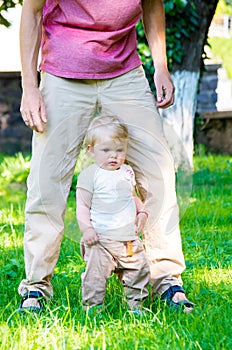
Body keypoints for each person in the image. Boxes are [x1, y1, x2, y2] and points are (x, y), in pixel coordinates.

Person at [18, 0, 194, 313]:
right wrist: (30, 87)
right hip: (63, 75)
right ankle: (36, 287)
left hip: (124, 73)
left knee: (158, 171)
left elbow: (152, 6)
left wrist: (162, 68)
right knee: (46, 183)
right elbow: (31, 12)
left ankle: (167, 280)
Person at [76, 115, 150, 314]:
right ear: (91, 150)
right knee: (95, 277)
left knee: (138, 270)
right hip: (100, 240)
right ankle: (93, 308)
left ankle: (136, 306)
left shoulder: (127, 171)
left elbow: (132, 196)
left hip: (128, 239)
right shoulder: (90, 175)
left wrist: (141, 211)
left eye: (119, 150)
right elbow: (82, 206)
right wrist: (87, 229)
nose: (114, 156)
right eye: (106, 150)